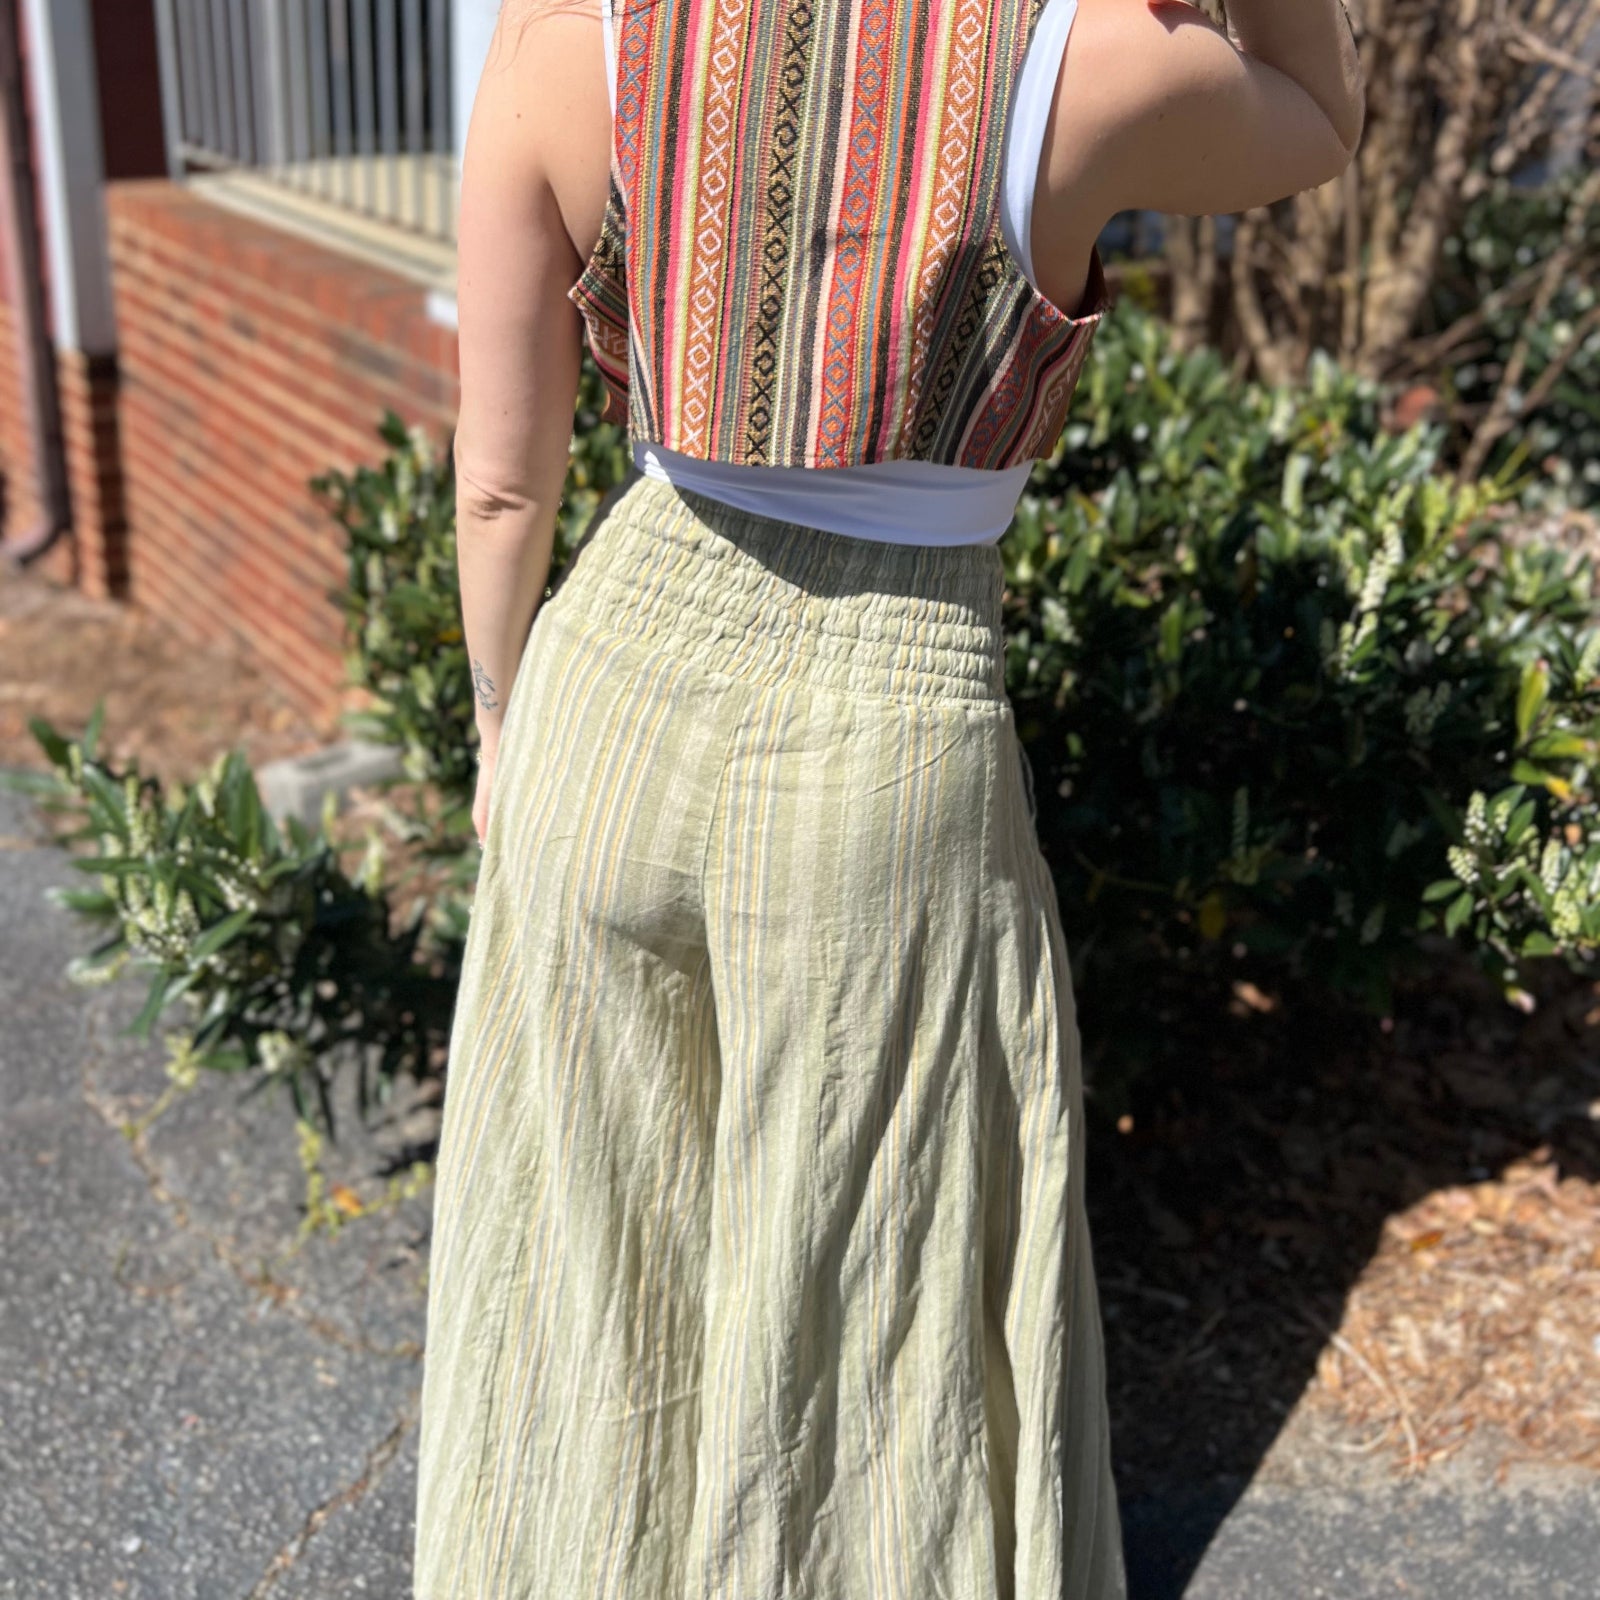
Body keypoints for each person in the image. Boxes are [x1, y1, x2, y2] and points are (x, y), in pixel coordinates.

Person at [412, 1, 1364, 1595]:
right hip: (881, 736)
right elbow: (1319, 118)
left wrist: (504, 725)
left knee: (594, 1290)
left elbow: (503, 486)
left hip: (605, 692)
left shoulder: (565, 37)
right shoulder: (1075, 63)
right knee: (863, 1332)